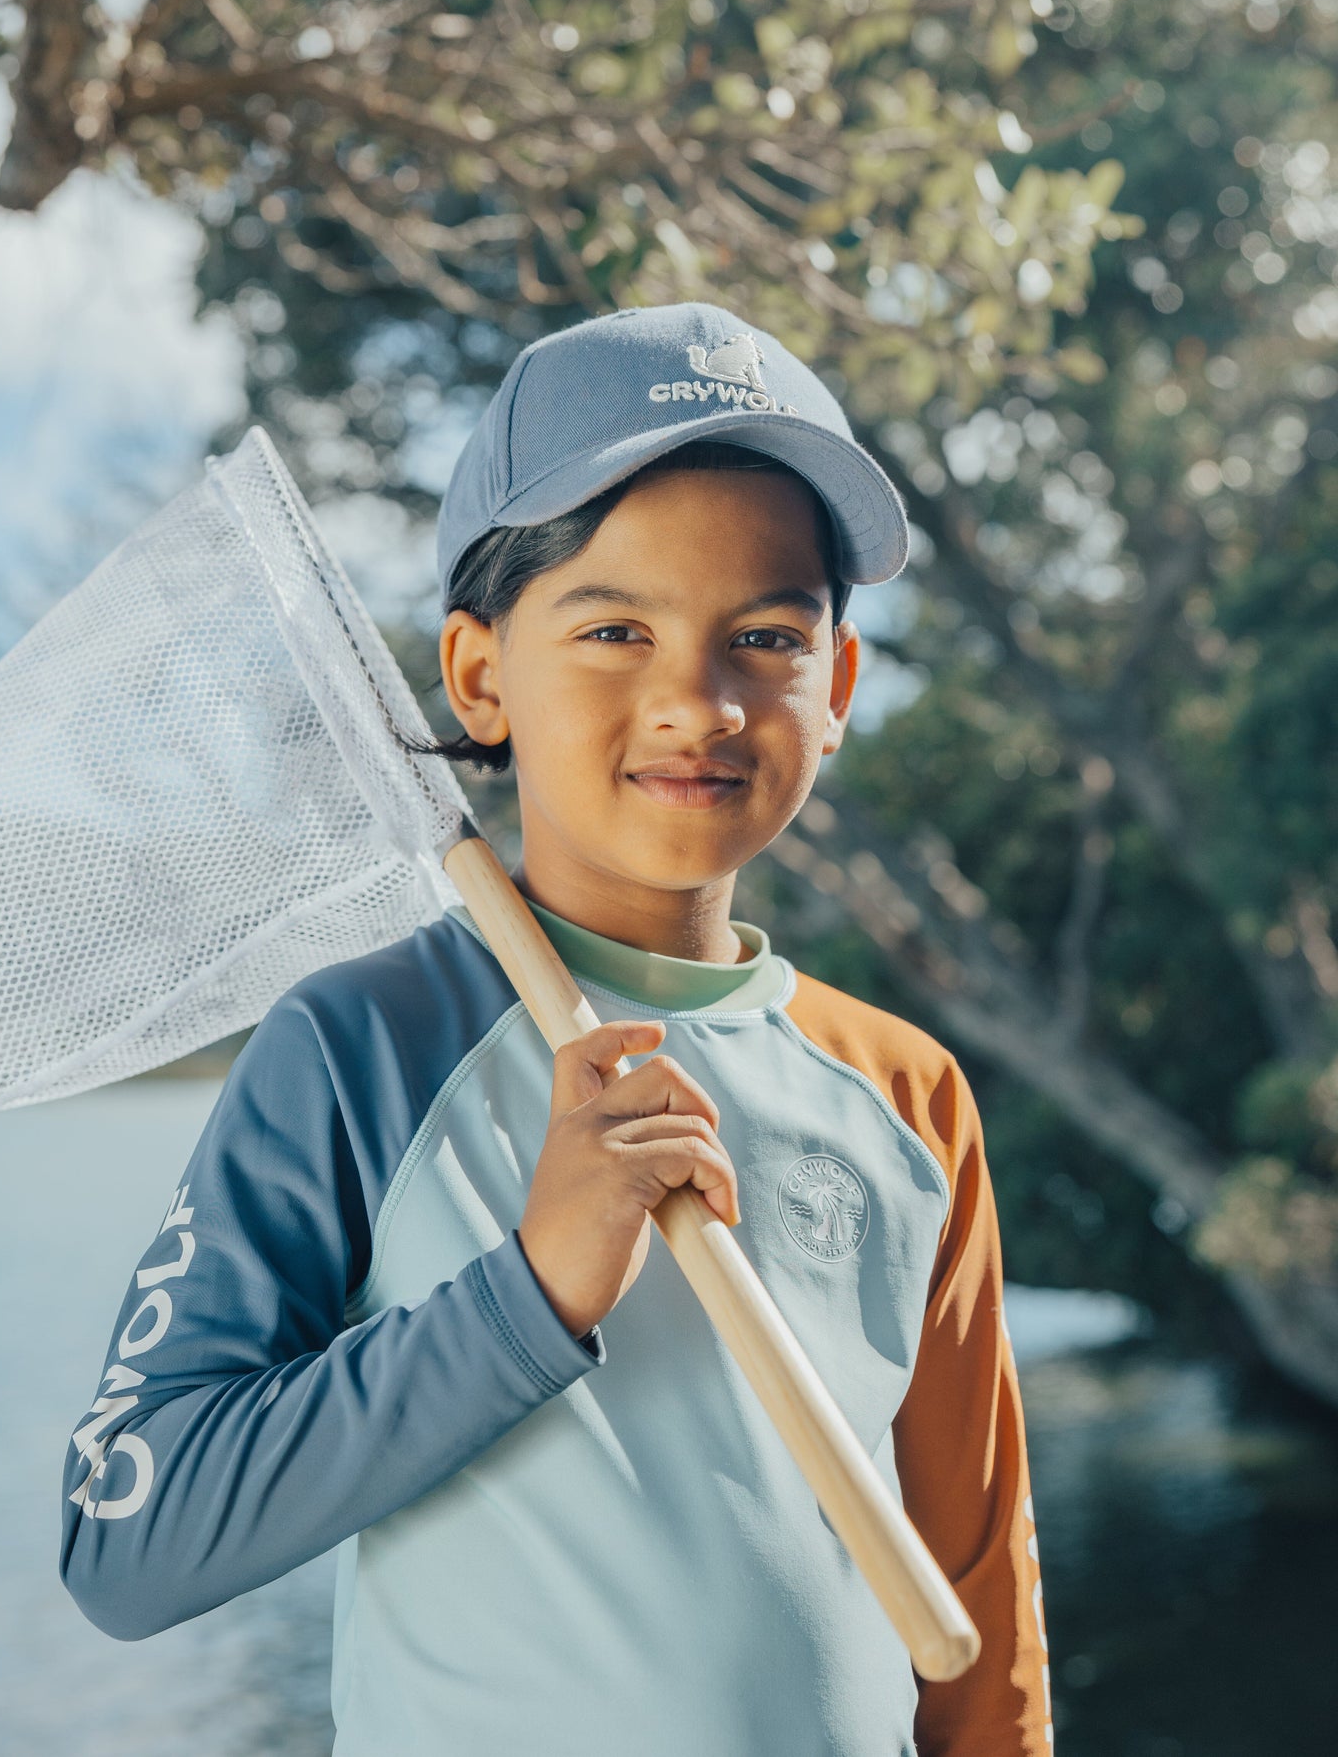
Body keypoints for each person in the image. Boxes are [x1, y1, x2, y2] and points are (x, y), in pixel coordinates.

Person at [61, 302, 1053, 1756]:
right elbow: (126, 1542)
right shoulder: (362, 1048)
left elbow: (982, 1604)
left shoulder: (907, 1091)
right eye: (611, 629)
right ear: (477, 675)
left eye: (766, 636)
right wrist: (531, 1290)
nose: (695, 702)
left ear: (835, 690)